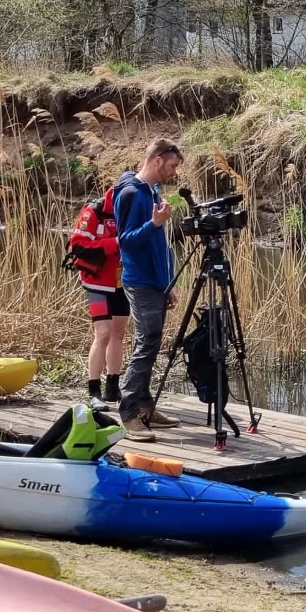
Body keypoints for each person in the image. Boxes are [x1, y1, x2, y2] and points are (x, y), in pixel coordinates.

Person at [114, 138, 185, 442]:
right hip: (139, 281)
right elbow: (125, 241)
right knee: (146, 344)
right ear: (157, 160)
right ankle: (129, 415)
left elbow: (161, 245)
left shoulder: (153, 191)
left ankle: (145, 407)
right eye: (172, 165)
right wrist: (154, 224)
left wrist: (168, 283)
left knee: (152, 344)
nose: (174, 172)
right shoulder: (130, 193)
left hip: (156, 282)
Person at [69, 180, 132, 409]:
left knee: (119, 332)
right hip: (96, 281)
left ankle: (113, 387)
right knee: (103, 332)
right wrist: (114, 243)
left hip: (122, 281)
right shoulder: (94, 211)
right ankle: (93, 390)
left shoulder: (133, 210)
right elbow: (78, 245)